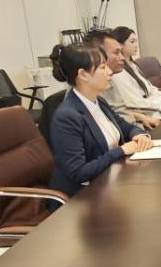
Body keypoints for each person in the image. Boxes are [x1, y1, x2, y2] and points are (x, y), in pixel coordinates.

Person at [47, 42, 152, 200]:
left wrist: (139, 134)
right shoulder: (67, 116)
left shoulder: (98, 101)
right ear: (83, 74)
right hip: (83, 197)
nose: (110, 71)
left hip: (112, 182)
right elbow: (78, 172)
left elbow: (125, 127)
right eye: (103, 67)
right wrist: (121, 151)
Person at [87, 30, 161, 130]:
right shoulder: (95, 90)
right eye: (116, 53)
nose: (122, 57)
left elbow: (118, 112)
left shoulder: (110, 77)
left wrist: (140, 118)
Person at [111, 26, 161, 119]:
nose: (136, 45)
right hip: (150, 112)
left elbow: (149, 88)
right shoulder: (119, 73)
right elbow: (135, 102)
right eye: (132, 42)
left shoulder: (132, 65)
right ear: (120, 45)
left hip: (156, 105)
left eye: (136, 41)